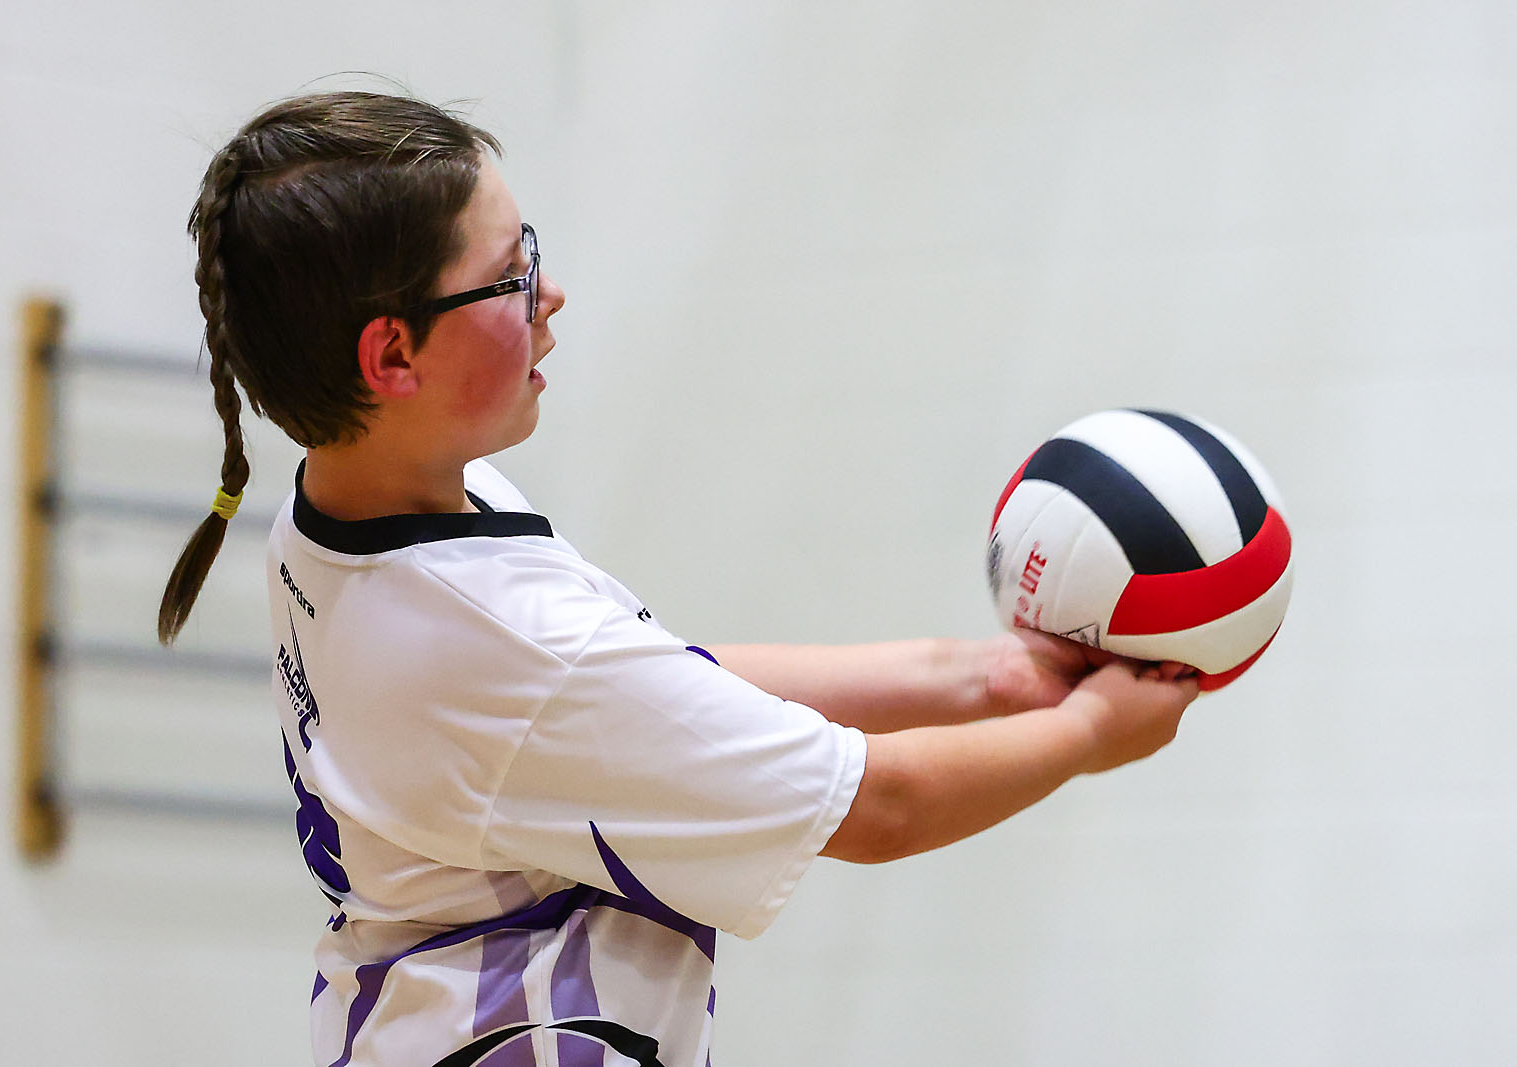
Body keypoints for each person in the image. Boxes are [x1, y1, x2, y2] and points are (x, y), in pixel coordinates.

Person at [158, 90, 1198, 1067]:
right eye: (513, 274)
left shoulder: (344, 508)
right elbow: (884, 806)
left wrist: (980, 677)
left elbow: (654, 685)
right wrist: (1090, 734)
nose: (549, 292)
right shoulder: (498, 640)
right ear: (392, 356)